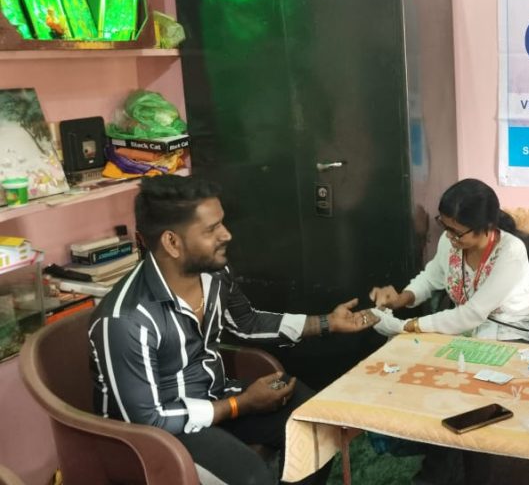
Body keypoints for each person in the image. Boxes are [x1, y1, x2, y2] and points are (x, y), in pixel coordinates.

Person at [88, 175, 379, 485]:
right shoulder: (126, 320)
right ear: (172, 243)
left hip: (214, 399)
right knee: (252, 477)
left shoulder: (214, 274)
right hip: (158, 438)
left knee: (314, 423)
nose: (226, 234)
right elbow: (148, 420)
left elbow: (247, 322)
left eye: (222, 223)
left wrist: (326, 323)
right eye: (211, 229)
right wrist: (240, 404)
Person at [369, 178, 529, 340]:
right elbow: (430, 279)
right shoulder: (451, 241)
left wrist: (408, 325)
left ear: (487, 227)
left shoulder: (511, 252)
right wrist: (401, 298)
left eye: (457, 232)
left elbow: (473, 313)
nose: (448, 236)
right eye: (444, 226)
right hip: (467, 329)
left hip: (511, 332)